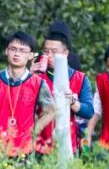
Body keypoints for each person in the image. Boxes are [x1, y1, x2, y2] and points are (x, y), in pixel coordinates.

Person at [0, 31, 55, 161]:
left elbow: (51, 111)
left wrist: (34, 131)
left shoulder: (38, 83)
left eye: (22, 50)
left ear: (31, 55)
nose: (17, 53)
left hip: (23, 152)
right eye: (13, 49)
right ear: (6, 51)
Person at [32, 27, 94, 156]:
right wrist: (28, 77)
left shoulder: (80, 78)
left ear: (65, 53)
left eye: (54, 52)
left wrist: (72, 102)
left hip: (68, 146)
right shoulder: (36, 77)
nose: (49, 55)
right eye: (46, 51)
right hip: (40, 147)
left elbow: (89, 112)